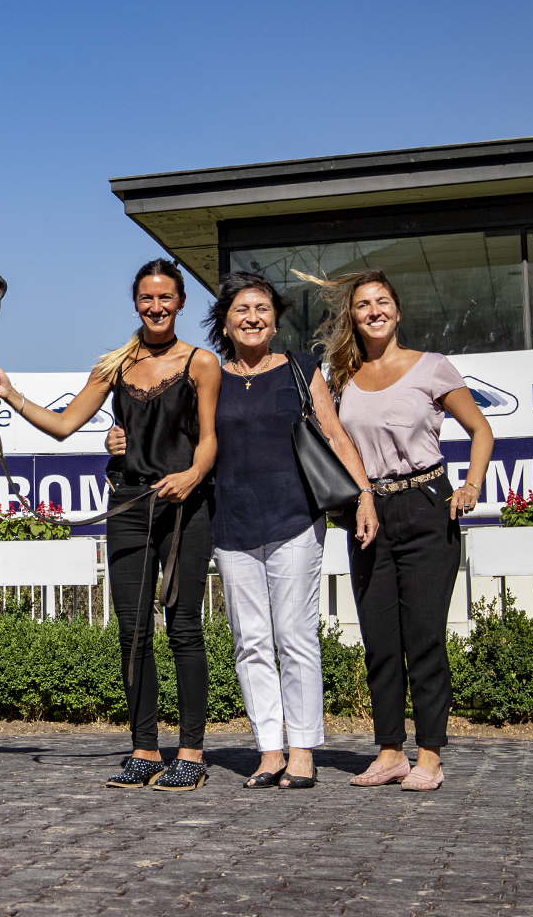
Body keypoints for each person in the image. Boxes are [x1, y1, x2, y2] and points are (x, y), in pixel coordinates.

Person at [110, 273, 377, 790]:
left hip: (295, 520)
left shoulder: (300, 369)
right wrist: (117, 438)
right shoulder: (209, 373)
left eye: (261, 309)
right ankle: (269, 750)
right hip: (230, 524)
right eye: (241, 310)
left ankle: (302, 751)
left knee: (295, 637)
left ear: (275, 320)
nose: (252, 318)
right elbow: (167, 432)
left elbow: (335, 434)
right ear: (225, 322)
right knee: (250, 643)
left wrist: (364, 494)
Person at [0, 258, 221, 790]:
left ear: (181, 302)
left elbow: (210, 438)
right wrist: (10, 393)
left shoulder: (202, 362)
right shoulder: (115, 365)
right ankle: (144, 749)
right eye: (146, 298)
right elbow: (64, 424)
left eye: (165, 297)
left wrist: (192, 475)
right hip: (129, 507)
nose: (156, 306)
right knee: (133, 633)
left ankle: (191, 752)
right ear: (135, 303)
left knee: (184, 627)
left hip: (186, 507)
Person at [302, 267, 494, 791]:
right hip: (369, 514)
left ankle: (429, 754)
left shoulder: (431, 367)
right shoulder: (341, 377)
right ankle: (389, 752)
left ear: (398, 310)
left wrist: (471, 485)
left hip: (427, 506)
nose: (374, 311)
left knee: (425, 638)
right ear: (353, 316)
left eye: (382, 301)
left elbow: (480, 429)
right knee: (380, 640)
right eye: (363, 304)